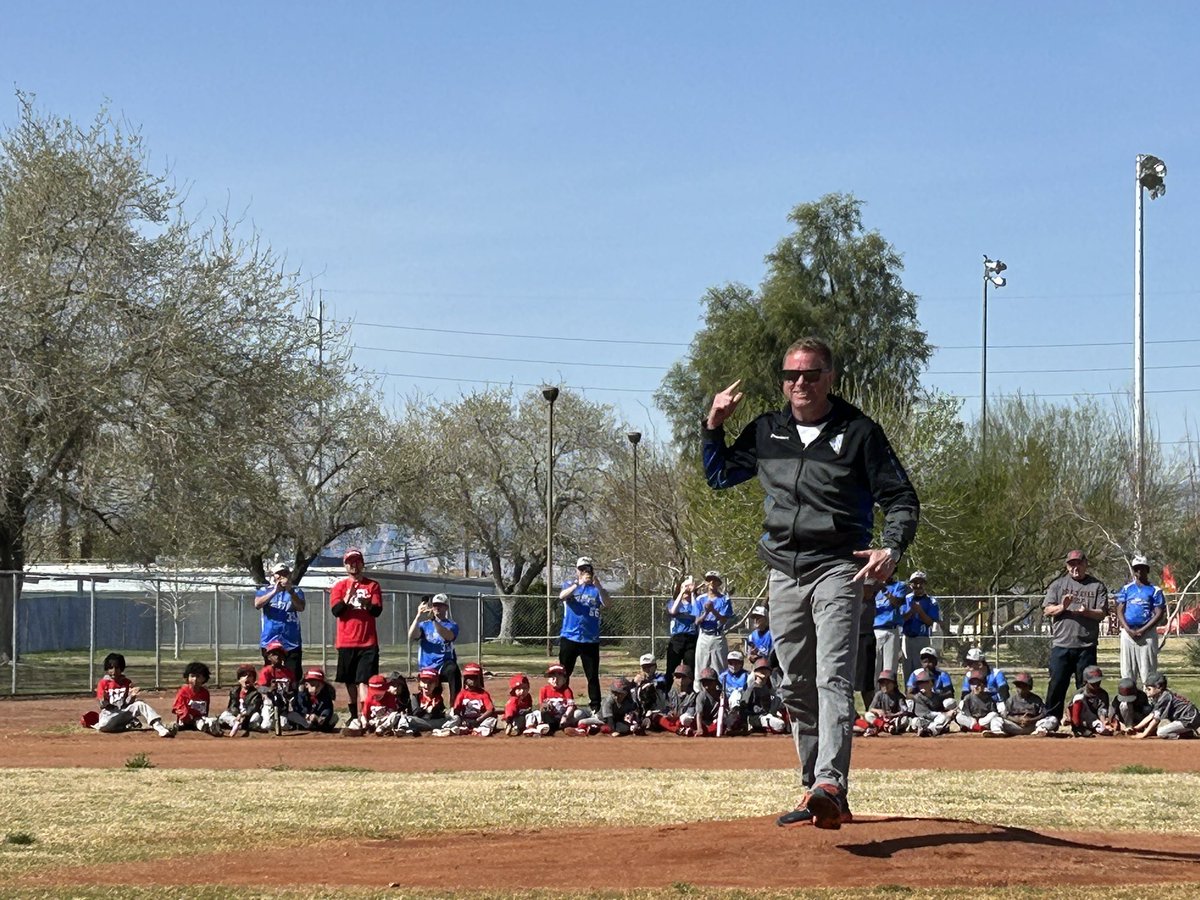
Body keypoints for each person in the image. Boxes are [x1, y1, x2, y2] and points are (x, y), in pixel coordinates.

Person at [703, 336, 919, 829]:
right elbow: (717, 476)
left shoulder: (859, 431)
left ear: (830, 378)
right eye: (791, 375)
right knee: (797, 683)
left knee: (832, 677)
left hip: (839, 566)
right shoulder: (766, 431)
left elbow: (901, 498)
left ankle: (831, 784)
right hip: (783, 569)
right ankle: (813, 790)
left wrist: (892, 547)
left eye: (810, 374)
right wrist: (713, 425)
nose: (799, 383)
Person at [1043, 550, 1110, 721]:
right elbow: (1047, 609)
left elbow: (1102, 613)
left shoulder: (1097, 586)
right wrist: (1062, 607)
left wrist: (1087, 611)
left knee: (1086, 687)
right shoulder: (1057, 585)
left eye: (1079, 563)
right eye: (1071, 564)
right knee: (1057, 684)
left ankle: (1087, 720)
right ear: (1067, 566)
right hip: (1062, 645)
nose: (1075, 567)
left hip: (1086, 646)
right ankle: (1051, 720)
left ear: (1085, 564)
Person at [329, 547, 384, 729]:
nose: (354, 565)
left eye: (357, 562)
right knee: (350, 681)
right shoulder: (339, 586)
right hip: (346, 642)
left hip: (368, 642)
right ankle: (353, 716)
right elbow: (336, 611)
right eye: (350, 562)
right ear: (345, 566)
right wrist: (347, 598)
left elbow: (377, 611)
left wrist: (368, 604)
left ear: (362, 564)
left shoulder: (372, 585)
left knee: (364, 680)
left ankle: (365, 715)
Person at [558, 556, 609, 713]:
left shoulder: (596, 590)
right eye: (582, 569)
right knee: (564, 673)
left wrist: (599, 586)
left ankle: (595, 707)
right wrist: (577, 584)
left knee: (592, 676)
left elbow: (608, 603)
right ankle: (561, 703)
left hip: (590, 640)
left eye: (588, 569)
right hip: (570, 637)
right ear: (577, 571)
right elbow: (562, 596)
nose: (585, 572)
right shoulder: (570, 585)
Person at [91, 652, 175, 738]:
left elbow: (127, 704)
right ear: (107, 669)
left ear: (122, 668)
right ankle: (125, 724)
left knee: (140, 704)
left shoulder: (126, 682)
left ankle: (160, 728)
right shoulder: (103, 683)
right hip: (109, 715)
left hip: (122, 712)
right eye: (111, 668)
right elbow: (102, 704)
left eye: (117, 668)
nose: (114, 671)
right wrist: (104, 699)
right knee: (103, 725)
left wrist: (132, 696)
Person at [1114, 556, 1165, 686]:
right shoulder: (1126, 589)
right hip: (1128, 633)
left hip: (1147, 634)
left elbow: (1159, 613)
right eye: (1136, 569)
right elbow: (1120, 609)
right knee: (1127, 671)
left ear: (1147, 570)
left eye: (1142, 569)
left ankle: (1148, 701)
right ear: (1134, 571)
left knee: (1147, 671)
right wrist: (1128, 629)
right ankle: (1128, 702)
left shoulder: (1155, 590)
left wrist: (1143, 630)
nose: (1139, 572)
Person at [254, 562, 305, 683]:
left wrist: (290, 591)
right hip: (270, 641)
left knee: (293, 676)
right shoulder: (264, 590)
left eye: (285, 573)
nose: (282, 576)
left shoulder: (296, 591)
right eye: (279, 574)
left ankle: (292, 700)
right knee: (271, 675)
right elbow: (257, 604)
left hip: (291, 642)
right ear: (273, 576)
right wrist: (274, 592)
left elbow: (301, 607)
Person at [408, 593, 462, 702]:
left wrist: (434, 621)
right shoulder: (424, 625)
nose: (436, 607)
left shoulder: (452, 625)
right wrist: (418, 615)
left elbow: (448, 636)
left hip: (443, 665)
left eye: (440, 605)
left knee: (453, 670)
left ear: (446, 607)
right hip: (427, 666)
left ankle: (454, 704)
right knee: (431, 693)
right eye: (435, 605)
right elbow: (411, 635)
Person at [693, 571, 733, 691]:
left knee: (720, 668)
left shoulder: (724, 599)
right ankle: (698, 694)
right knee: (700, 666)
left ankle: (721, 694)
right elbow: (697, 621)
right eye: (709, 579)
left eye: (714, 580)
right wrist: (706, 612)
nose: (711, 582)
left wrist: (713, 610)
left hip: (717, 635)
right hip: (704, 635)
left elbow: (724, 619)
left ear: (718, 583)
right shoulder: (700, 599)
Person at [436, 662, 498, 736]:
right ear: (465, 680)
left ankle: (482, 729)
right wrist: (461, 719)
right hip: (464, 720)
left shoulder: (484, 694)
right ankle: (449, 728)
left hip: (479, 720)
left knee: (492, 718)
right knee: (454, 716)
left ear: (479, 679)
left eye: (474, 678)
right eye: (469, 678)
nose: (472, 681)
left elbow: (490, 710)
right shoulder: (462, 693)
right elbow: (456, 709)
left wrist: (478, 720)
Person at [1132, 672, 1200, 739]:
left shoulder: (1165, 697)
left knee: (1161, 732)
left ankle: (1186, 734)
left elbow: (1156, 720)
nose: (1146, 691)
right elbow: (1151, 715)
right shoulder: (1162, 695)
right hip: (1189, 718)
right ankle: (1187, 732)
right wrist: (1136, 728)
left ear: (1159, 687)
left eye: (1149, 689)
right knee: (1165, 726)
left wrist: (1144, 734)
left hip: (1189, 719)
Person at [989, 671, 1057, 737]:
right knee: (996, 719)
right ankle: (997, 732)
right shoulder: (1011, 700)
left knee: (1053, 719)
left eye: (1023, 686)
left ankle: (1040, 731)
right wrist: (1017, 720)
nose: (1020, 688)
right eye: (1018, 686)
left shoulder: (1036, 700)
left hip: (1032, 726)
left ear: (1029, 687)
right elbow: (1005, 715)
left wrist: (1030, 720)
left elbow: (1043, 714)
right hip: (1014, 726)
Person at [900, 572, 940, 679]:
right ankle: (908, 691)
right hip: (907, 637)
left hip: (922, 637)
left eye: (920, 583)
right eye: (915, 583)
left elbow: (931, 622)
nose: (918, 586)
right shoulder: (906, 599)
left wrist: (920, 611)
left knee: (921, 668)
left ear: (925, 584)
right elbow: (901, 618)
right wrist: (911, 612)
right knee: (907, 668)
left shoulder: (931, 601)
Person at [257, 640, 297, 733]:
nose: (277, 656)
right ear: (269, 657)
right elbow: (260, 688)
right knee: (265, 726)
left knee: (284, 726)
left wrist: (291, 693)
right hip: (269, 702)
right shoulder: (266, 671)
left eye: (280, 654)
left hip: (283, 703)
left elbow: (293, 687)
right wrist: (270, 689)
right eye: (274, 654)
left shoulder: (288, 672)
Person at [664, 576, 700, 680]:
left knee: (690, 667)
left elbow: (696, 613)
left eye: (689, 586)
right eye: (685, 586)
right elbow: (673, 611)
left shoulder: (695, 602)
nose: (687, 589)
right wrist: (681, 592)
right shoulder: (674, 602)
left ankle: (689, 692)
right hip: (677, 638)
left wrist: (693, 593)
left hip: (691, 638)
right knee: (672, 667)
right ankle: (669, 692)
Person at [172, 661, 220, 736]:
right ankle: (205, 727)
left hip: (199, 719)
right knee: (198, 722)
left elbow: (205, 710)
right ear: (187, 677)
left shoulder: (205, 693)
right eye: (192, 676)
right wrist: (188, 716)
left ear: (204, 678)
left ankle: (211, 728)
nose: (195, 679)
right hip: (185, 721)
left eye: (198, 676)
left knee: (209, 720)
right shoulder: (183, 691)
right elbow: (177, 708)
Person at [856, 669, 909, 736]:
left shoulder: (899, 696)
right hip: (882, 719)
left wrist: (892, 715)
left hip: (894, 719)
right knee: (868, 715)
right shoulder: (879, 694)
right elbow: (871, 708)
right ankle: (885, 726)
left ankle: (890, 727)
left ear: (894, 684)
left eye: (888, 683)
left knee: (905, 720)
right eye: (882, 683)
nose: (885, 686)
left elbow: (904, 711)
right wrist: (878, 711)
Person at [872, 579, 905, 682]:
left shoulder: (899, 585)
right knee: (875, 668)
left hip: (890, 630)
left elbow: (897, 603)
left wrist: (884, 590)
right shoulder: (873, 586)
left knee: (890, 668)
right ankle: (877, 695)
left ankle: (890, 695)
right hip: (875, 630)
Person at [1066, 665, 1113, 736]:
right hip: (1080, 719)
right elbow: (1069, 707)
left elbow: (1102, 710)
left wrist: (1104, 722)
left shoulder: (1103, 694)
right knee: (1079, 698)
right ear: (1086, 681)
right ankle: (1078, 728)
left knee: (1103, 730)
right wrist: (1069, 718)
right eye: (1093, 683)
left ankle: (1091, 729)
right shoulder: (1080, 692)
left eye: (1098, 682)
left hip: (1094, 720)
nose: (1096, 685)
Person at [220, 663, 266, 736]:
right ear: (239, 679)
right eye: (244, 675)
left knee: (256, 717)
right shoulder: (234, 691)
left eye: (250, 676)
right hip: (236, 715)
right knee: (224, 715)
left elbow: (253, 708)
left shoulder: (256, 694)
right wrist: (237, 715)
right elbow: (232, 706)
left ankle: (241, 725)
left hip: (248, 716)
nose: (247, 677)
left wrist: (244, 715)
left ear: (253, 680)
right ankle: (236, 723)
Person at [744, 658, 788, 734]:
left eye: (765, 670)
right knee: (779, 724)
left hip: (769, 714)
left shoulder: (770, 687)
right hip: (755, 717)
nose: (763, 672)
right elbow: (743, 707)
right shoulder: (751, 687)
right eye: (760, 670)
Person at [289, 667, 338, 733]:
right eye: (312, 685)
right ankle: (307, 726)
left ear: (323, 685)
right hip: (304, 717)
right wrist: (307, 715)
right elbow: (299, 707)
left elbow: (328, 708)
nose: (314, 688)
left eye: (318, 686)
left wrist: (322, 717)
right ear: (306, 685)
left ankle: (320, 726)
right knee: (292, 715)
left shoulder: (325, 695)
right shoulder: (301, 693)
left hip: (318, 717)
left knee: (334, 717)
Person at [537, 663, 581, 733]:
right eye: (553, 678)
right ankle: (554, 727)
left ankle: (569, 727)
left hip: (564, 716)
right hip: (551, 717)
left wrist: (565, 716)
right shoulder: (544, 690)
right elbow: (541, 706)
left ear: (564, 679)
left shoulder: (566, 690)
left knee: (578, 713)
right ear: (548, 679)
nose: (555, 680)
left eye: (559, 677)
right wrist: (544, 706)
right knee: (537, 713)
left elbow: (571, 706)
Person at [408, 668, 448, 734]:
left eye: (430, 683)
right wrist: (426, 710)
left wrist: (435, 710)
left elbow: (440, 716)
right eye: (424, 682)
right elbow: (416, 713)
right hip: (418, 722)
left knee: (454, 718)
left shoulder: (438, 698)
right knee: (408, 719)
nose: (426, 686)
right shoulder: (415, 697)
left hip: (434, 723)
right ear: (420, 682)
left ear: (436, 684)